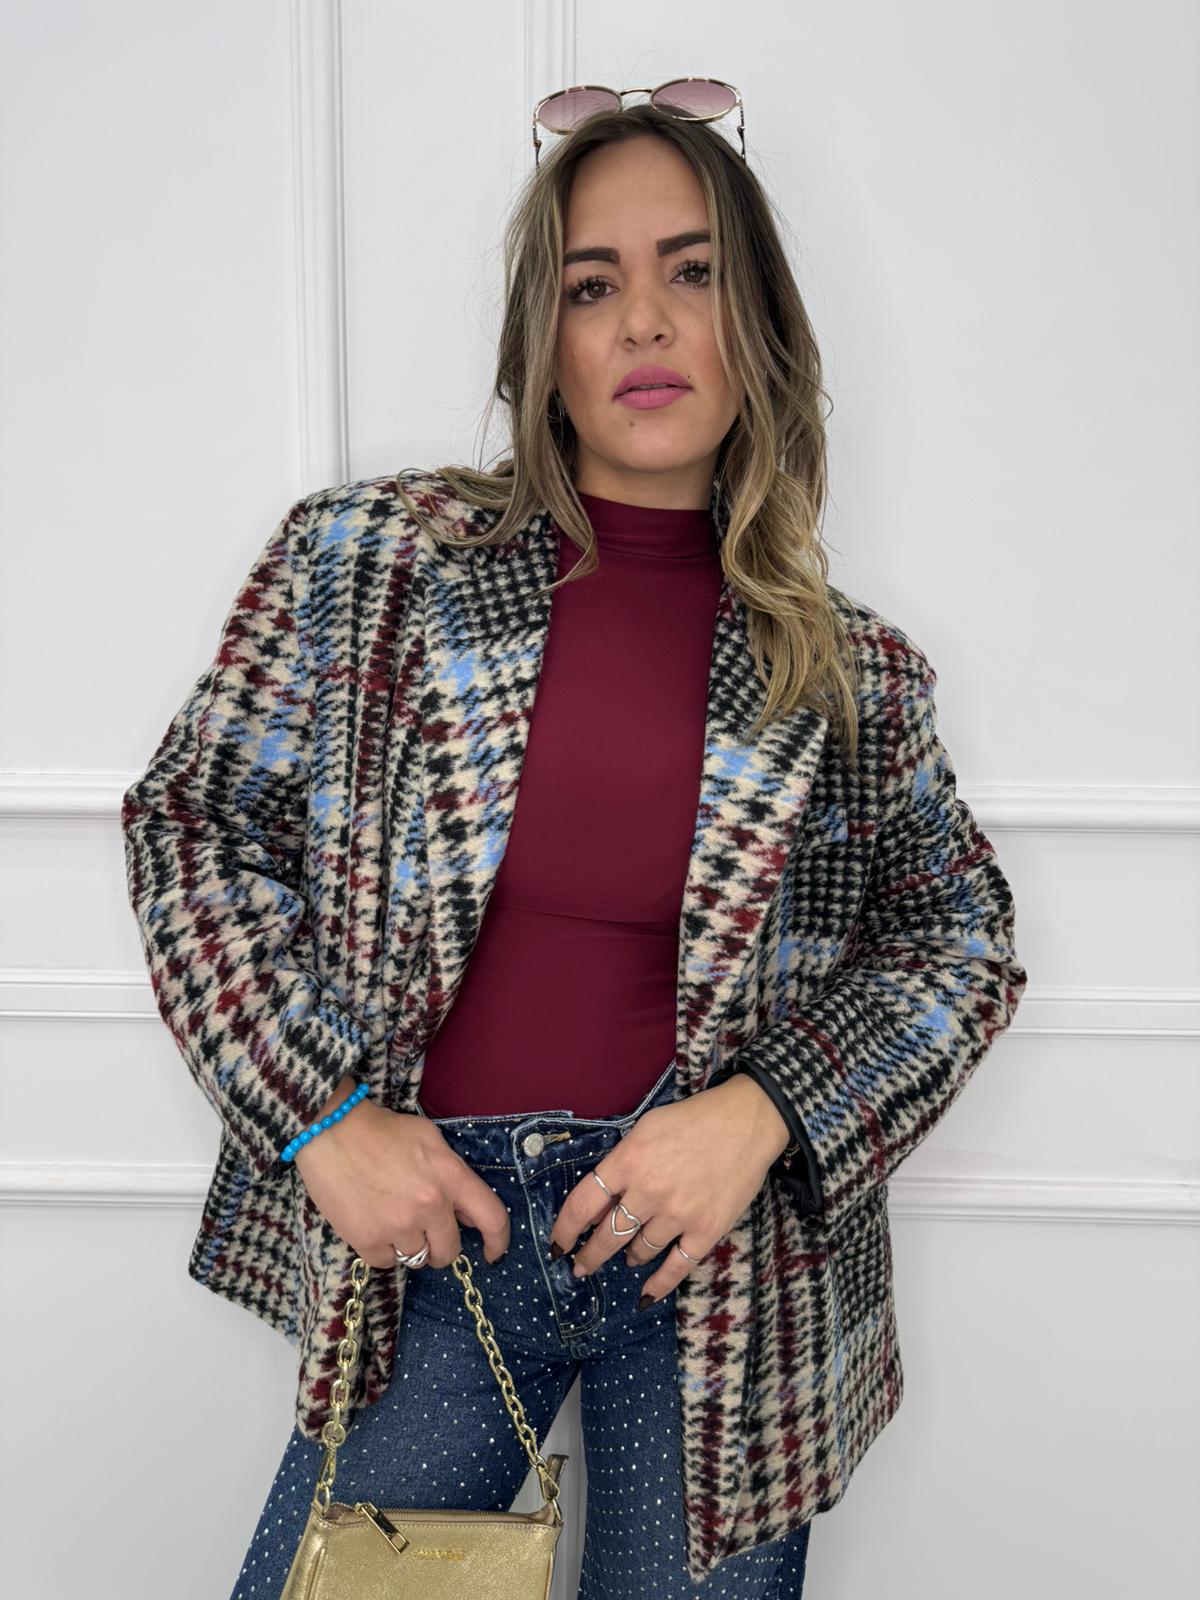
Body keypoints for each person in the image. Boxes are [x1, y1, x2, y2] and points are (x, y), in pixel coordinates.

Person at [121, 91, 1027, 1599]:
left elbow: (962, 944)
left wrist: (765, 1113)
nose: (644, 323)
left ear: (760, 322)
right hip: (439, 1240)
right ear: (542, 341)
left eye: (693, 272)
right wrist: (321, 1118)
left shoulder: (850, 669)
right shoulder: (374, 563)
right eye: (593, 286)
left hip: (721, 1267)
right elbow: (194, 825)